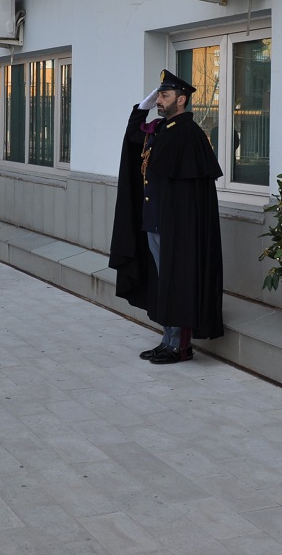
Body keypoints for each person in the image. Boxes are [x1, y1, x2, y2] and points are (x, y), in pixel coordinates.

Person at [110, 69, 224, 364]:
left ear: (182, 99)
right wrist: (142, 108)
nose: (160, 100)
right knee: (163, 284)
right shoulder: (161, 129)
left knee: (178, 284)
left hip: (176, 228)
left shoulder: (188, 134)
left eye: (165, 95)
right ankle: (167, 340)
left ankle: (180, 346)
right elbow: (132, 138)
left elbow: (190, 195)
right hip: (155, 223)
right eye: (159, 95)